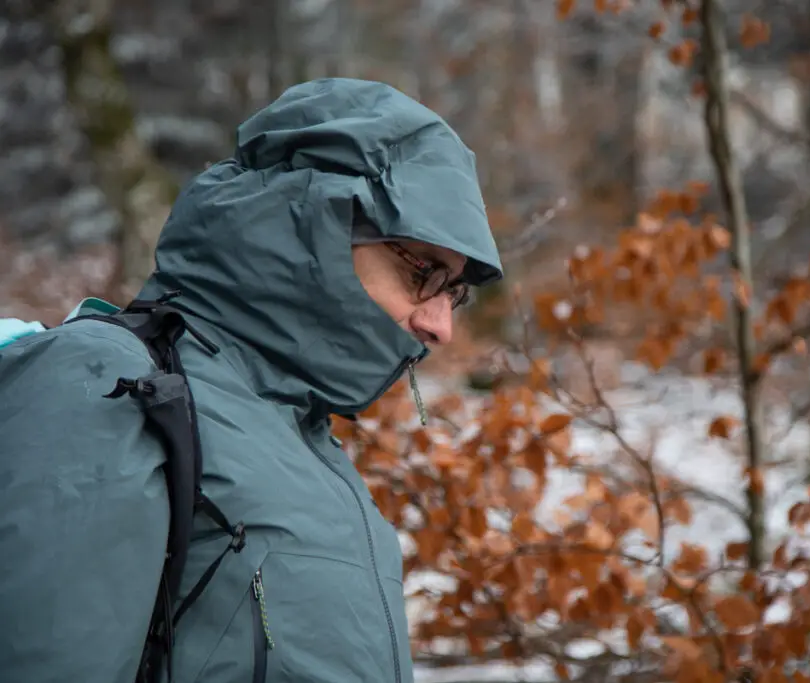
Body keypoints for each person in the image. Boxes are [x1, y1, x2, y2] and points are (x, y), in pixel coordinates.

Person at [0, 78, 503, 683]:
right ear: (309, 219)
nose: (441, 325)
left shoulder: (310, 448)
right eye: (423, 272)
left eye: (455, 292)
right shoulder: (112, 384)